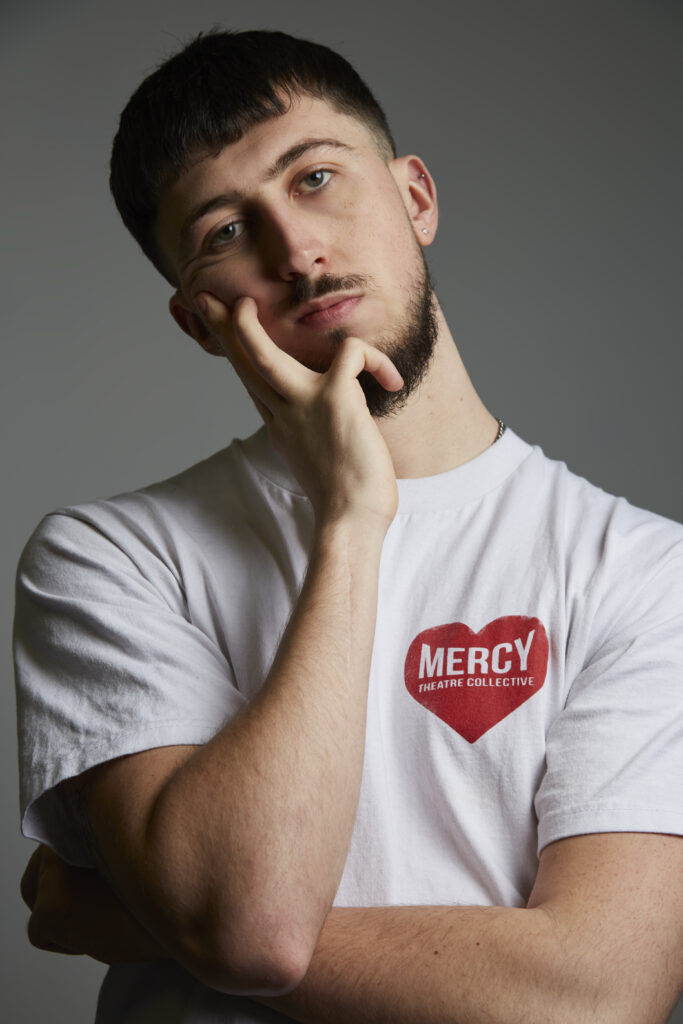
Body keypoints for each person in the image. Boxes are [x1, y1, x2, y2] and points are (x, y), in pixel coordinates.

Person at [15, 28, 683, 1024]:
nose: (296, 250)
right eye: (224, 233)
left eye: (316, 177)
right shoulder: (110, 560)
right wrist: (351, 520)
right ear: (201, 320)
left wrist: (145, 916)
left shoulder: (642, 569)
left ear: (413, 198)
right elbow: (250, 925)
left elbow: (588, 997)